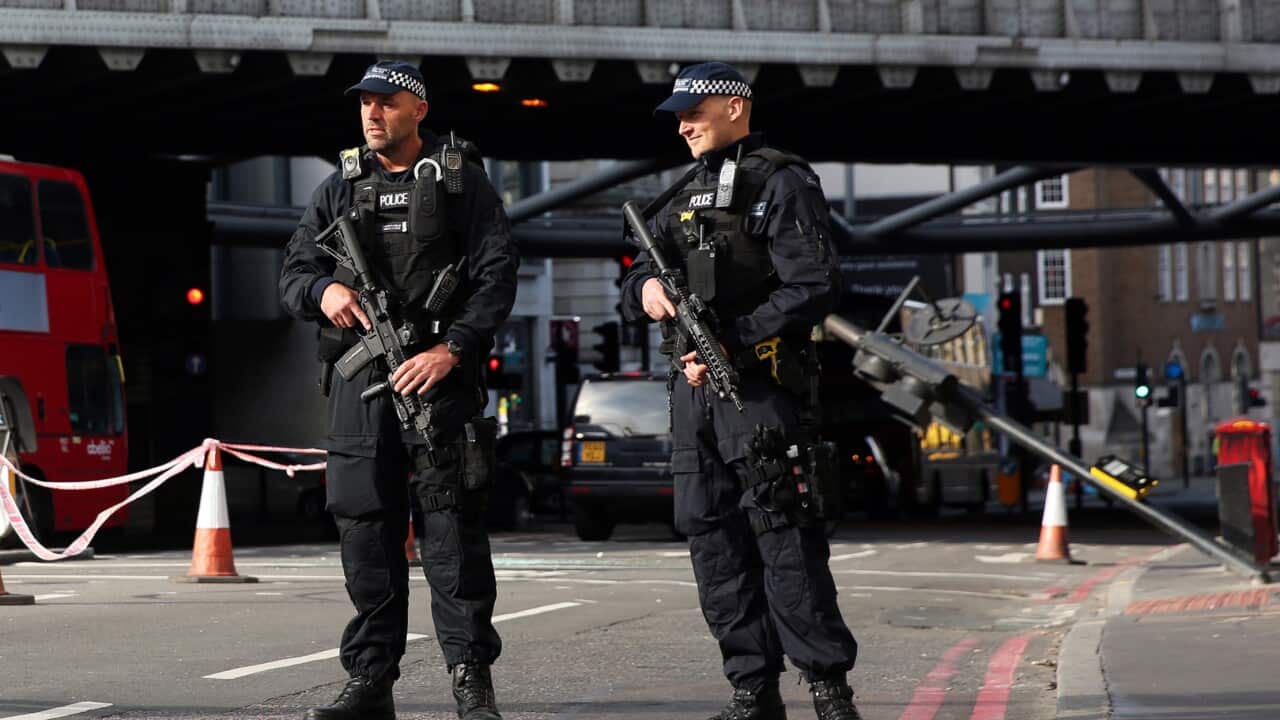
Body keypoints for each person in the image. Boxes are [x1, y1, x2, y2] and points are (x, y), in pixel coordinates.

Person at [619, 62, 862, 720]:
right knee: (712, 539)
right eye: (677, 115)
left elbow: (813, 283)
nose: (682, 124)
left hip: (762, 389)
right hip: (693, 392)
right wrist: (643, 287)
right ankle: (752, 688)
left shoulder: (781, 181)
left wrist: (735, 340)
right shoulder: (681, 192)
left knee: (784, 535)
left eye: (693, 111)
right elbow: (642, 263)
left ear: (733, 107)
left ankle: (827, 688)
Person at [279, 60, 518, 720]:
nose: (371, 113)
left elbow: (496, 278)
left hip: (438, 385)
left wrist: (452, 349)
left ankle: (471, 681)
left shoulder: (461, 183)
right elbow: (293, 272)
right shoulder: (338, 189)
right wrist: (322, 289)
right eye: (365, 104)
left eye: (385, 102)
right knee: (364, 530)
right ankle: (371, 681)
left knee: (452, 536)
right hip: (362, 390)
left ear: (418, 107)